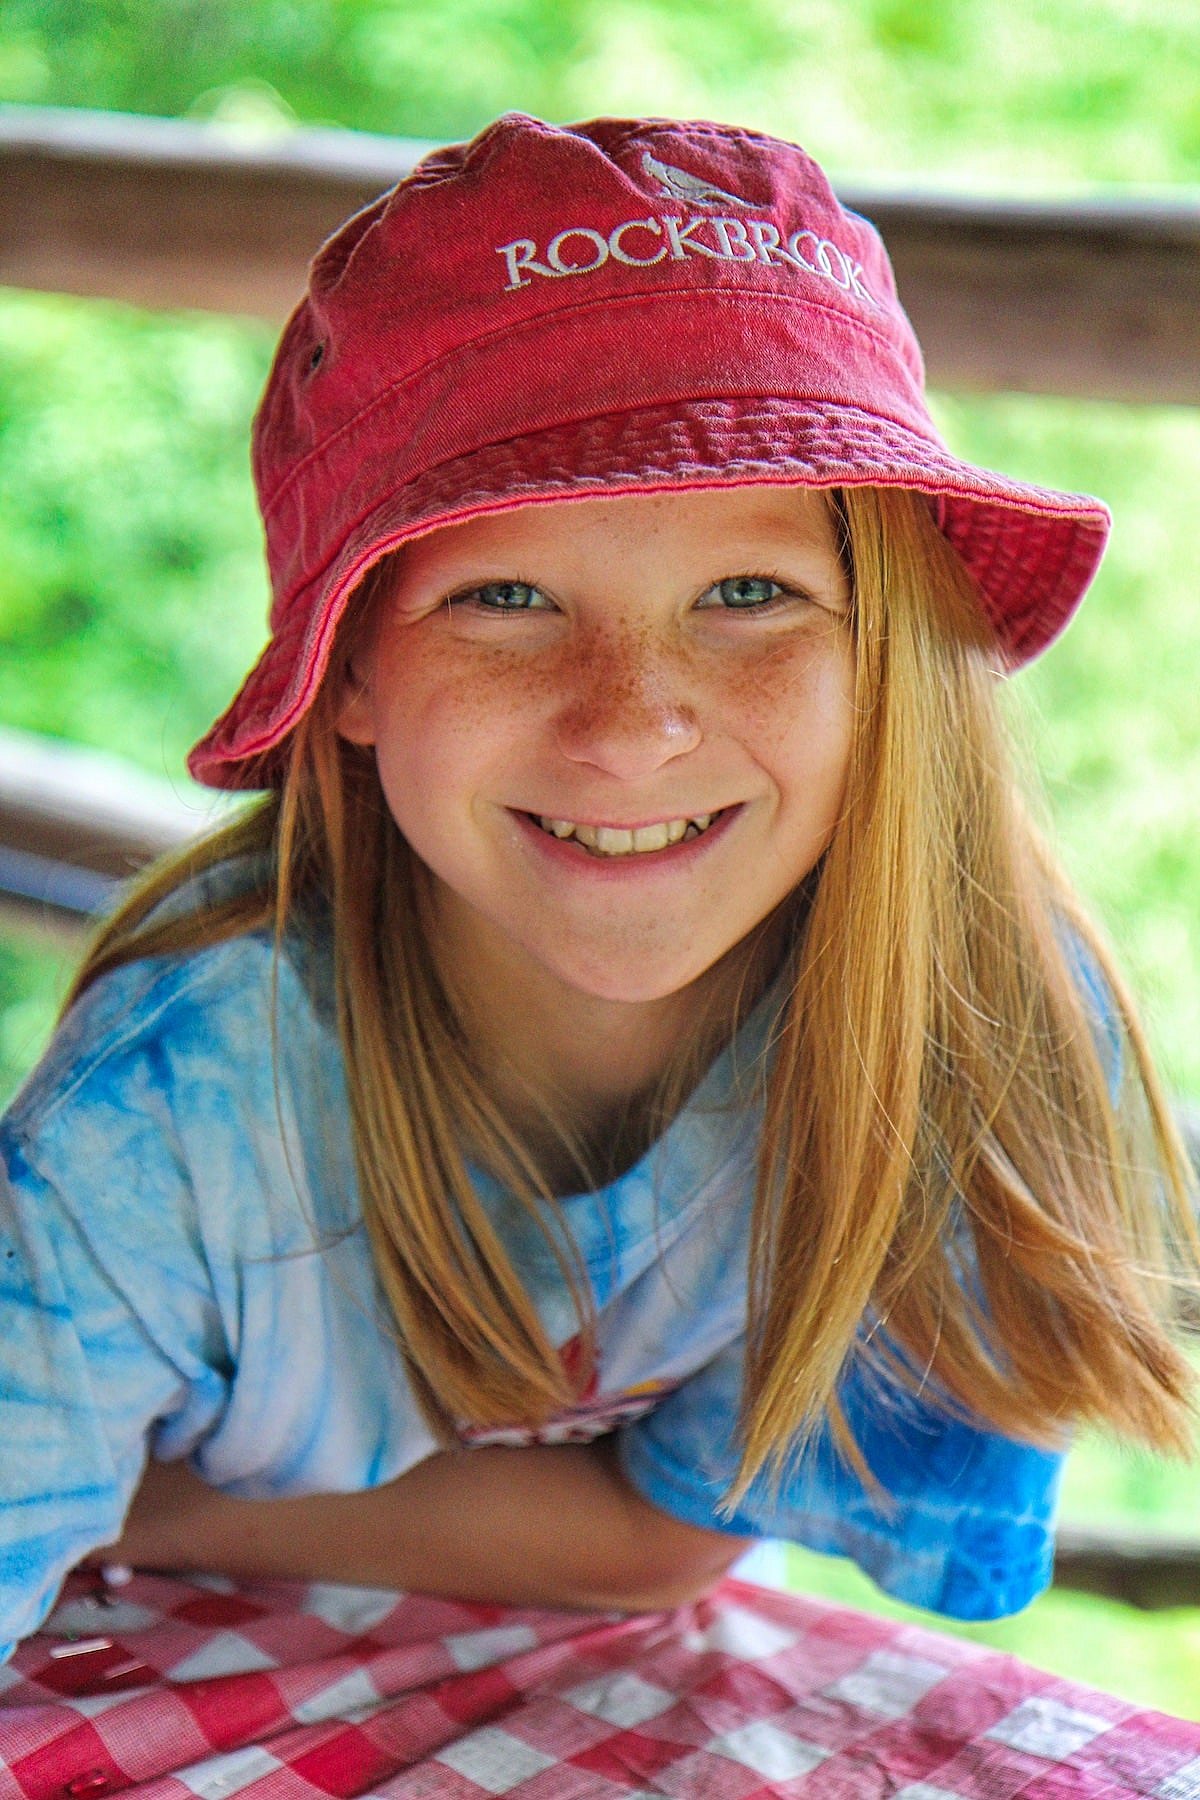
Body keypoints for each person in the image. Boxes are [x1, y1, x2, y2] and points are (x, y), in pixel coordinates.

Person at [0, 111, 1195, 1662]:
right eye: (504, 595)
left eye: (750, 593)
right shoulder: (175, 1099)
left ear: (887, 657)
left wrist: (147, 1493)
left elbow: (665, 1546)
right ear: (347, 668)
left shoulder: (970, 1023)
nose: (631, 724)